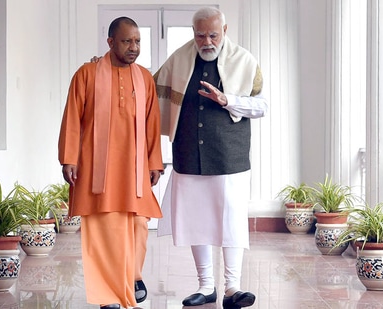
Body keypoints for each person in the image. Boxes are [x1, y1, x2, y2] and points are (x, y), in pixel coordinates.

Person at [155, 6, 268, 309]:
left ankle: (233, 288)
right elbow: (149, 90)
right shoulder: (178, 60)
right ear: (194, 33)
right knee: (196, 219)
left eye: (213, 35)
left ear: (225, 32)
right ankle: (206, 286)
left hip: (229, 156)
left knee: (230, 219)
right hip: (188, 154)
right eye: (200, 35)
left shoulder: (244, 61)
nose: (207, 41)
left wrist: (227, 99)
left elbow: (261, 107)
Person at [58, 16, 163, 309]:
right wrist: (69, 157)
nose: (134, 47)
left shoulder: (144, 78)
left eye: (138, 41)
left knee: (139, 224)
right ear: (110, 42)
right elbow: (72, 119)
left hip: (134, 167)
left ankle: (132, 276)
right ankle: (108, 296)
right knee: (105, 229)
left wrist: (155, 162)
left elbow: (152, 123)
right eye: (127, 41)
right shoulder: (87, 74)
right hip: (96, 168)